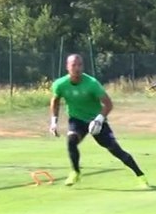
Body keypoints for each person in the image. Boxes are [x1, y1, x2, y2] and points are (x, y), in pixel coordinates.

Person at [49, 54, 149, 188]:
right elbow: (55, 101)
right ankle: (75, 172)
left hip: (96, 120)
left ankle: (140, 175)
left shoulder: (92, 83)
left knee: (115, 150)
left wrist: (99, 119)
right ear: (67, 67)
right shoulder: (60, 84)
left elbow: (108, 104)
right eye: (74, 65)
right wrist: (54, 122)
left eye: (80, 65)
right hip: (77, 119)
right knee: (71, 140)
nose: (77, 68)